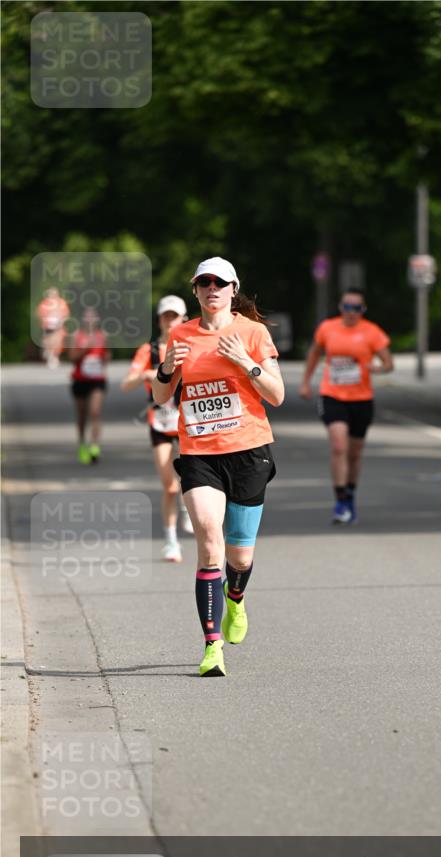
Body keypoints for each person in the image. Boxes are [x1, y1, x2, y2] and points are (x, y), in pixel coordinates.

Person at [152, 257, 284, 677]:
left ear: (232, 289)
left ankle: (236, 599)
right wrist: (168, 366)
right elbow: (159, 396)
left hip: (248, 451)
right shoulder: (181, 334)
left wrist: (246, 362)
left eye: (219, 283)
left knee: (240, 557)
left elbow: (277, 395)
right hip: (200, 454)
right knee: (209, 540)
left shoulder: (252, 332)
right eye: (204, 282)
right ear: (195, 290)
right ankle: (212, 647)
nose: (211, 289)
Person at [300, 287, 393, 523]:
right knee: (339, 446)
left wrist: (379, 368)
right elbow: (314, 354)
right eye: (348, 307)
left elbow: (388, 362)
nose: (352, 312)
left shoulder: (371, 332)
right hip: (332, 396)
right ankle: (340, 501)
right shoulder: (327, 328)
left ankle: (350, 493)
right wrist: (305, 383)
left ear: (363, 310)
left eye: (357, 308)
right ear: (341, 307)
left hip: (361, 400)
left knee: (354, 453)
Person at [122, 295, 194, 563]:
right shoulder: (149, 351)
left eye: (174, 316)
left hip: (190, 422)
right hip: (161, 422)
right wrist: (144, 375)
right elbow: (126, 384)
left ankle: (188, 510)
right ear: (159, 319)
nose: (170, 320)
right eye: (165, 316)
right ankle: (171, 541)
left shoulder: (192, 345)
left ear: (184, 318)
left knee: (192, 480)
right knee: (169, 486)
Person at [69, 306, 109, 464]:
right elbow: (72, 357)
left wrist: (104, 360)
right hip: (80, 380)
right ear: (83, 320)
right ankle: (82, 444)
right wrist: (85, 349)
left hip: (97, 381)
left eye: (93, 317)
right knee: (81, 416)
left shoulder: (103, 336)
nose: (90, 320)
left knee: (95, 413)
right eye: (88, 317)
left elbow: (107, 356)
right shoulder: (76, 336)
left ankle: (94, 446)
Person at [37, 287, 70, 368]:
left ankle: (54, 357)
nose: (52, 296)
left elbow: (66, 314)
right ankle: (49, 353)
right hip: (48, 326)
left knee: (57, 342)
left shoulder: (61, 303)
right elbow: (40, 313)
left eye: (54, 294)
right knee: (48, 341)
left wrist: (61, 321)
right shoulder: (44, 303)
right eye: (51, 294)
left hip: (58, 327)